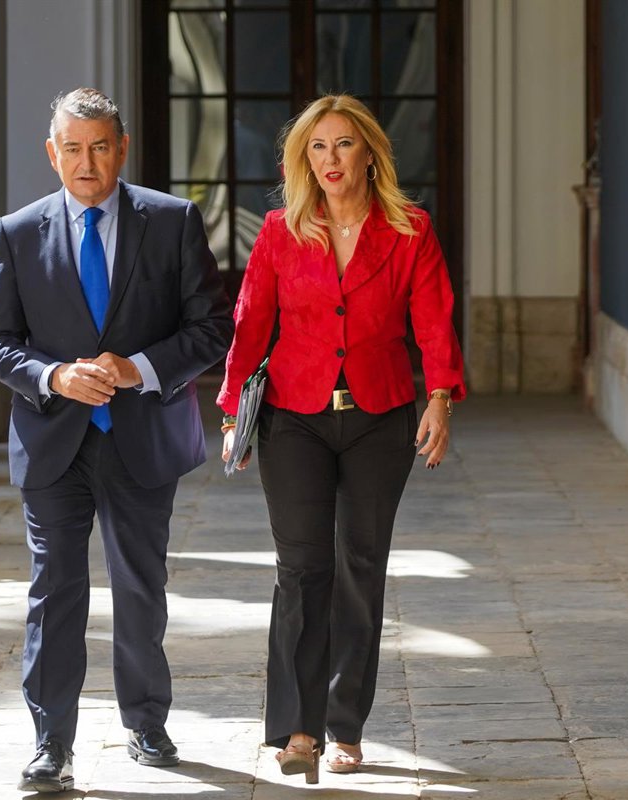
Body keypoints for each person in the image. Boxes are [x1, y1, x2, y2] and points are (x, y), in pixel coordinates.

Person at [0, 87, 233, 794]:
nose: (86, 162)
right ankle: (50, 743)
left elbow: (213, 326)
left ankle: (146, 722)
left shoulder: (172, 221)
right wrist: (53, 375)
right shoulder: (17, 232)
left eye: (99, 147)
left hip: (140, 436)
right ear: (51, 152)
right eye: (72, 148)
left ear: (121, 149)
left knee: (140, 586)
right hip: (53, 440)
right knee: (54, 593)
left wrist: (137, 367)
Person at [217, 94, 465, 784]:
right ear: (304, 159)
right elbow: (250, 321)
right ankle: (299, 729)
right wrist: (234, 409)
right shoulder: (280, 230)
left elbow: (434, 317)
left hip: (379, 417)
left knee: (360, 565)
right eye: (318, 146)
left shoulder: (410, 229)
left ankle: (345, 724)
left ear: (369, 154)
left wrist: (440, 397)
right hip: (293, 416)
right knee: (301, 568)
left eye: (344, 144)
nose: (331, 159)